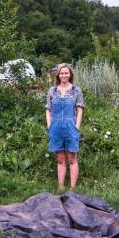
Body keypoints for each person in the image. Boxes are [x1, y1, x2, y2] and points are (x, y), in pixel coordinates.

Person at [45, 63, 84, 192]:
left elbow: (79, 110)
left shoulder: (76, 90)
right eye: (62, 73)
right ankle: (60, 187)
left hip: (70, 126)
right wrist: (50, 126)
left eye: (66, 73)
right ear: (58, 75)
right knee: (60, 159)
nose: (64, 75)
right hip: (55, 127)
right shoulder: (52, 91)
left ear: (70, 74)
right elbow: (48, 110)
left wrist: (76, 127)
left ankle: (72, 189)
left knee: (72, 158)